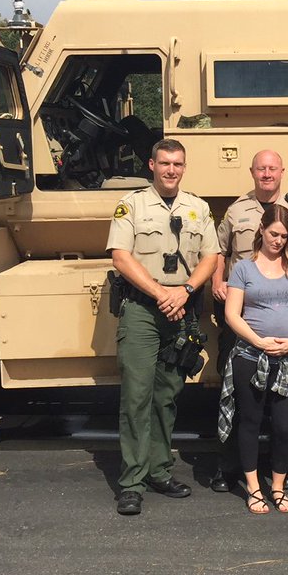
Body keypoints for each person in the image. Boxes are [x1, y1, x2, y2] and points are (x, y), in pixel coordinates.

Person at [107, 138, 217, 517]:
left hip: (181, 309)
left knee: (166, 396)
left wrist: (185, 291)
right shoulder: (132, 205)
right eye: (165, 163)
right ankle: (132, 482)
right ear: (152, 165)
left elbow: (211, 256)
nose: (172, 170)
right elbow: (121, 257)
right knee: (136, 397)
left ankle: (159, 471)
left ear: (184, 167)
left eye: (178, 164)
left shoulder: (197, 208)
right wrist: (160, 293)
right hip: (143, 310)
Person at [210, 150, 288, 493]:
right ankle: (230, 467)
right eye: (261, 169)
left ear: (282, 171)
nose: (267, 174)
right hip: (244, 314)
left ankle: (287, 467)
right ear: (252, 172)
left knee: (286, 409)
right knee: (243, 403)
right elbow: (220, 250)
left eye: (273, 169)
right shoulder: (237, 210)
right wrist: (217, 282)